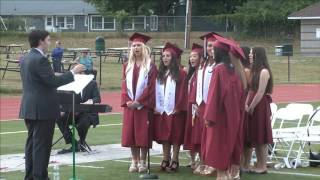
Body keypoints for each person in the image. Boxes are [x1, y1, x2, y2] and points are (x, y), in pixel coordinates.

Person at [19, 30, 85, 180]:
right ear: (41, 41)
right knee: (42, 146)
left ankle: (30, 176)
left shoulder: (26, 58)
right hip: (43, 109)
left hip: (29, 107)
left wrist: (58, 75)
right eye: (48, 40)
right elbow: (52, 82)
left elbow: (41, 79)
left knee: (32, 144)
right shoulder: (40, 59)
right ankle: (40, 177)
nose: (49, 43)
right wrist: (72, 72)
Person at [203, 38, 246, 180]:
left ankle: (222, 176)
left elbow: (214, 94)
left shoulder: (219, 69)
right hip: (234, 117)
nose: (211, 52)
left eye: (213, 50)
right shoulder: (234, 70)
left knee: (219, 147)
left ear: (219, 52)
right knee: (230, 145)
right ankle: (228, 174)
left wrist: (209, 117)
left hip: (220, 117)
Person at [121, 33, 157, 173]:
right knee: (131, 134)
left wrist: (139, 101)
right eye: (134, 45)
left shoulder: (150, 66)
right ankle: (134, 161)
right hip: (130, 106)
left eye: (138, 45)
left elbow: (151, 87)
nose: (136, 48)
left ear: (144, 48)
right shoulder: (127, 66)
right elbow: (124, 85)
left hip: (143, 107)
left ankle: (143, 161)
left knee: (143, 134)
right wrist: (128, 101)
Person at [153, 42, 187, 172]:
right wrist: (155, 106)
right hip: (162, 110)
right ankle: (165, 158)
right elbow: (155, 91)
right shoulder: (160, 73)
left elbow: (184, 91)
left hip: (175, 110)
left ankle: (175, 159)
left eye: (168, 56)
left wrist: (178, 107)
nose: (165, 58)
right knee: (164, 135)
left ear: (173, 58)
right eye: (163, 56)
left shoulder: (181, 73)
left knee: (175, 136)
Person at [246, 47, 273, 174]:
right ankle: (259, 164)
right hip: (252, 104)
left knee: (261, 135)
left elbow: (260, 92)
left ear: (258, 55)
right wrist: (246, 104)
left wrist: (251, 106)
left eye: (252, 53)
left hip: (260, 106)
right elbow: (250, 90)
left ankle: (263, 165)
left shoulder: (263, 72)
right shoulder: (253, 70)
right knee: (256, 135)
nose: (250, 55)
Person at [56, 79, 101, 154]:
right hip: (72, 112)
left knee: (83, 122)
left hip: (87, 113)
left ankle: (82, 141)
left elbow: (97, 98)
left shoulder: (92, 83)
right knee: (59, 118)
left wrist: (91, 101)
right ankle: (74, 143)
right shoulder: (71, 84)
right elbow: (65, 99)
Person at [195, 32, 218, 176]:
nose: (211, 48)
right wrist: (196, 103)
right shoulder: (203, 63)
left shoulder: (218, 64)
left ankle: (212, 163)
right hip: (201, 103)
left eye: (214, 46)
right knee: (202, 135)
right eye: (209, 45)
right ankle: (203, 161)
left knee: (212, 135)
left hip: (212, 104)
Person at [183, 43, 203, 171]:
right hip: (190, 108)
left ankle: (202, 161)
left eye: (195, 56)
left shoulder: (202, 72)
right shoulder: (190, 73)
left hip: (199, 107)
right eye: (190, 56)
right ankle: (192, 160)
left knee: (199, 134)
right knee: (190, 134)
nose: (192, 59)